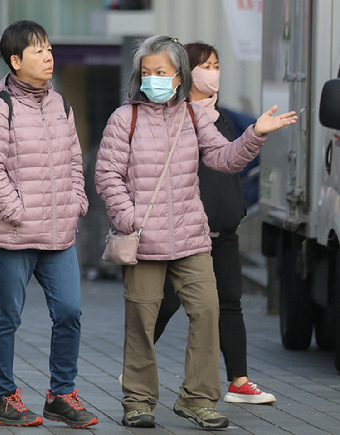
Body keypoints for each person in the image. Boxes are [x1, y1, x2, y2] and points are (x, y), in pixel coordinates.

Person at [95, 35, 296, 430]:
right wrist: (130, 219)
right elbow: (107, 176)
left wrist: (255, 133)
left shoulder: (193, 116)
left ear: (178, 77)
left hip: (191, 238)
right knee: (141, 319)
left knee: (207, 310)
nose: (153, 79)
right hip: (143, 241)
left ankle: (197, 400)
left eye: (162, 72)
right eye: (147, 72)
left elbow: (224, 158)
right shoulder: (125, 118)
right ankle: (138, 401)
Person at [0, 20, 98, 428]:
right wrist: (19, 211)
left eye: (48, 48)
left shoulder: (61, 105)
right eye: (37, 50)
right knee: (7, 317)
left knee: (70, 312)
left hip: (58, 234)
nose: (47, 56)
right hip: (11, 236)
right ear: (14, 60)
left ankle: (61, 394)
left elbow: (74, 161)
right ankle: (3, 398)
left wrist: (77, 199)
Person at [153, 42, 276, 406]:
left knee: (231, 303)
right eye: (206, 65)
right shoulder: (173, 117)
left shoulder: (221, 117)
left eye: (217, 64)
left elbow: (235, 161)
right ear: (186, 72)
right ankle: (137, 366)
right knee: (167, 302)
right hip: (188, 232)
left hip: (224, 229)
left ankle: (239, 381)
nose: (214, 72)